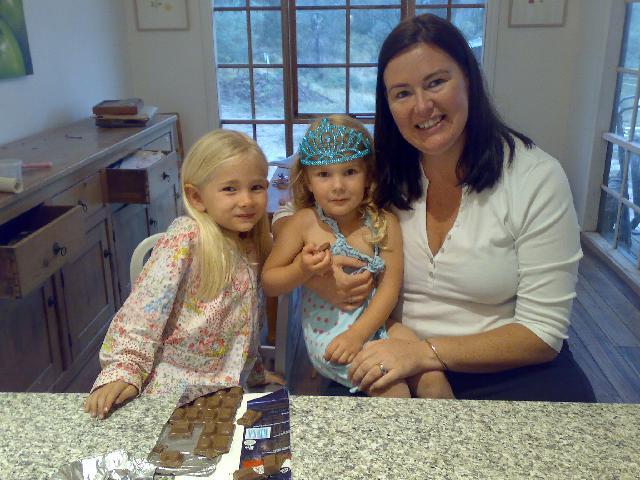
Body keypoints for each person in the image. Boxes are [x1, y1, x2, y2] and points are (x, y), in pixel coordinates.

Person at [274, 14, 595, 402]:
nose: (422, 106)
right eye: (402, 93)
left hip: (508, 369)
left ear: (469, 80)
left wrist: (424, 353)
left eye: (436, 82)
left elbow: (542, 334)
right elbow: (293, 210)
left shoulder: (535, 178)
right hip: (387, 355)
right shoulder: (381, 170)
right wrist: (316, 277)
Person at [85, 129, 283, 419]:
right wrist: (125, 369)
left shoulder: (253, 243)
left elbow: (246, 327)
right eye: (230, 189)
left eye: (256, 187)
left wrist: (256, 374)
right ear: (197, 197)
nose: (246, 200)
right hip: (171, 394)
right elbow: (144, 310)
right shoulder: (186, 238)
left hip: (227, 394)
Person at [263, 115, 450, 398]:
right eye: (324, 174)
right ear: (308, 181)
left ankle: (455, 428)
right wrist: (302, 269)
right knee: (392, 388)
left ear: (368, 175)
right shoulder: (303, 223)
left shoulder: (384, 223)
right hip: (330, 334)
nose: (338, 185)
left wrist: (359, 333)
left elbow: (389, 288)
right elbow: (270, 282)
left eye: (349, 171)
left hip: (375, 323)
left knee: (431, 375)